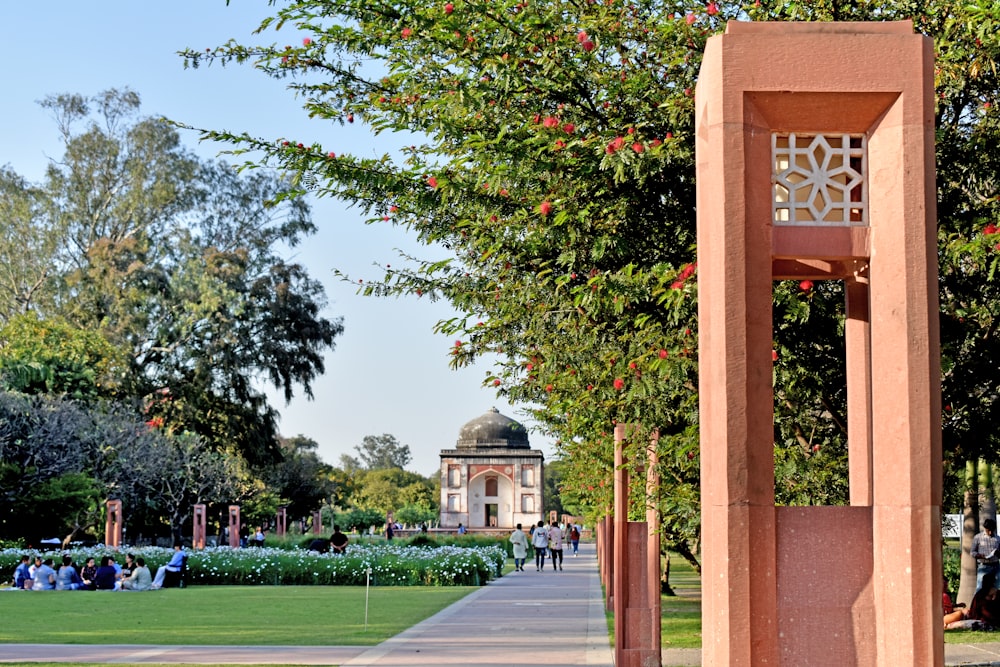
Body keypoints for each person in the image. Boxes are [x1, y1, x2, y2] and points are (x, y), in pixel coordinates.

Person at [972, 518, 1000, 591]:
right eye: (988, 530)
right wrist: (980, 555)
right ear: (985, 528)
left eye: (992, 530)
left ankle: (993, 594)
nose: (990, 533)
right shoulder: (978, 537)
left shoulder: (998, 538)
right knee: (979, 587)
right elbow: (972, 552)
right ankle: (975, 601)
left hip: (996, 565)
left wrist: (997, 553)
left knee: (998, 583)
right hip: (984, 565)